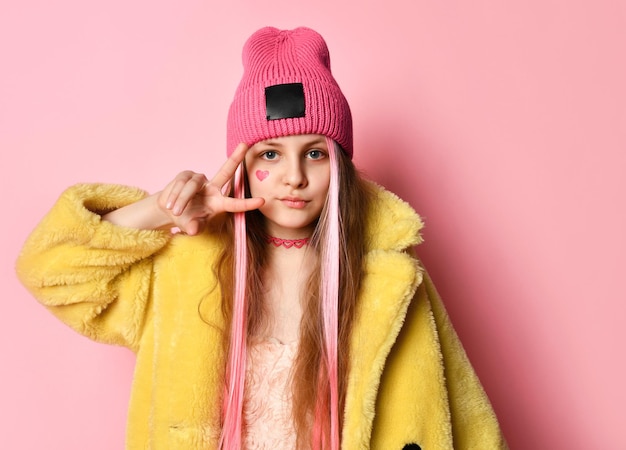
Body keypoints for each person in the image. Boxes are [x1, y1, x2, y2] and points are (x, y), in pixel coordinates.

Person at [16, 26, 507, 450]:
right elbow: (49, 270)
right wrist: (158, 208)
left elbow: (469, 425)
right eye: (269, 155)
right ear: (244, 166)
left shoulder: (389, 279)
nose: (293, 176)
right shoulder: (185, 270)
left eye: (314, 154)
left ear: (339, 166)